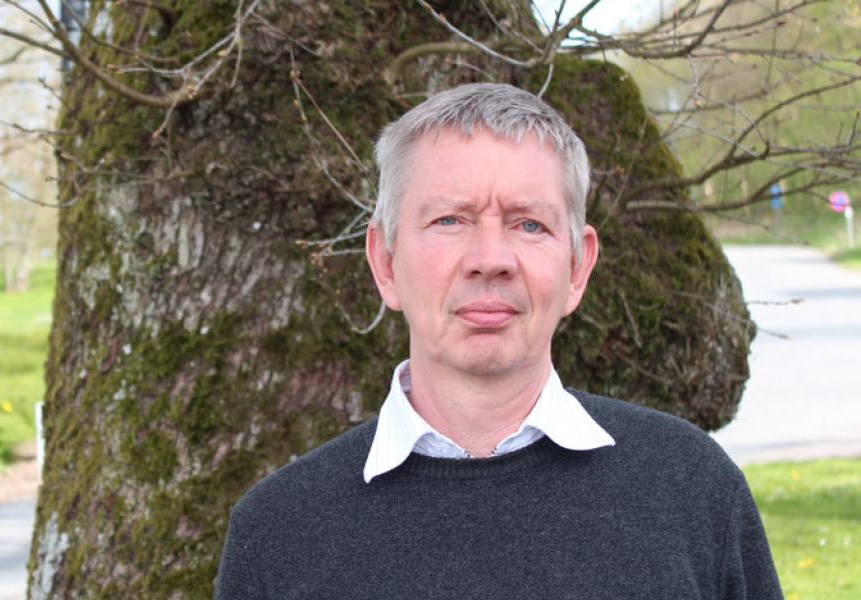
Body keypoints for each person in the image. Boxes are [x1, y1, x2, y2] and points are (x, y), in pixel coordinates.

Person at [214, 83, 782, 599]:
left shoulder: (692, 489)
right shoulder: (278, 531)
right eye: (450, 221)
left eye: (529, 224)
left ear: (577, 267)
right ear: (385, 263)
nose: (491, 260)